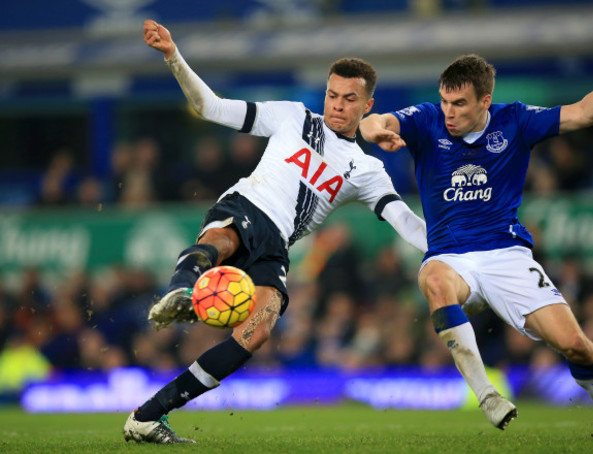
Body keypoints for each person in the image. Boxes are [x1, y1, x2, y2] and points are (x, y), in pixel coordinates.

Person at [123, 20, 428, 444]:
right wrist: (173, 56)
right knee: (223, 241)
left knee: (257, 331)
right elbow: (210, 107)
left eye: (349, 99)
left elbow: (405, 221)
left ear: (368, 104)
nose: (338, 105)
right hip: (247, 206)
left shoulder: (368, 170)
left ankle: (147, 415)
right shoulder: (293, 116)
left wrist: (452, 249)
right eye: (332, 94)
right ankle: (180, 289)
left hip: (276, 245)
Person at [360, 45, 593, 438]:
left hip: (506, 255)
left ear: (485, 101)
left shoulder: (515, 120)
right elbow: (377, 120)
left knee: (576, 345)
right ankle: (487, 395)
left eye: (460, 103)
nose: (449, 112)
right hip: (450, 255)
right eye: (445, 101)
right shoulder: (427, 119)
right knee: (434, 280)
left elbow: (584, 113)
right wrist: (374, 128)